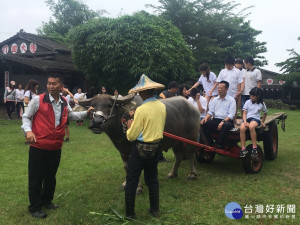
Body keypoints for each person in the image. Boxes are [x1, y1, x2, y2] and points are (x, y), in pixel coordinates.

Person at [21, 73, 94, 219]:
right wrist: (28, 131)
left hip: (55, 147)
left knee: (50, 177)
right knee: (36, 178)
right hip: (38, 146)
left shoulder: (63, 102)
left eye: (54, 84)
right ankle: (35, 207)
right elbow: (26, 117)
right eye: (49, 83)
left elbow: (71, 116)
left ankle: (47, 200)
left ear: (61, 86)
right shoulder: (38, 100)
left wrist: (86, 113)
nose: (51, 86)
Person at [125, 74, 166, 219]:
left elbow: (131, 136)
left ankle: (130, 214)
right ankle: (155, 210)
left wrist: (130, 125)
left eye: (140, 92)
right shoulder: (162, 106)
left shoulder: (141, 109)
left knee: (131, 180)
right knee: (152, 179)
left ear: (143, 92)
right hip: (156, 148)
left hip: (140, 148)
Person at [201, 81, 236, 148]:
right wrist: (206, 117)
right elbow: (211, 111)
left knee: (225, 125)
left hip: (227, 121)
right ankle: (209, 143)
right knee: (203, 124)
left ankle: (220, 144)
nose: (219, 90)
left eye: (221, 88)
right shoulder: (215, 99)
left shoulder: (231, 100)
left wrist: (223, 122)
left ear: (226, 89)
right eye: (218, 88)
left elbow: (231, 114)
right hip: (216, 120)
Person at [239, 87, 267, 158]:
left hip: (255, 119)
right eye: (250, 95)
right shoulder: (248, 102)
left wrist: (262, 122)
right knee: (242, 128)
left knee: (251, 126)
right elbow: (244, 113)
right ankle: (243, 148)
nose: (251, 97)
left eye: (253, 96)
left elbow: (265, 113)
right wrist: (245, 122)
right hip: (247, 119)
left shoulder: (262, 104)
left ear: (258, 96)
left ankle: (254, 147)